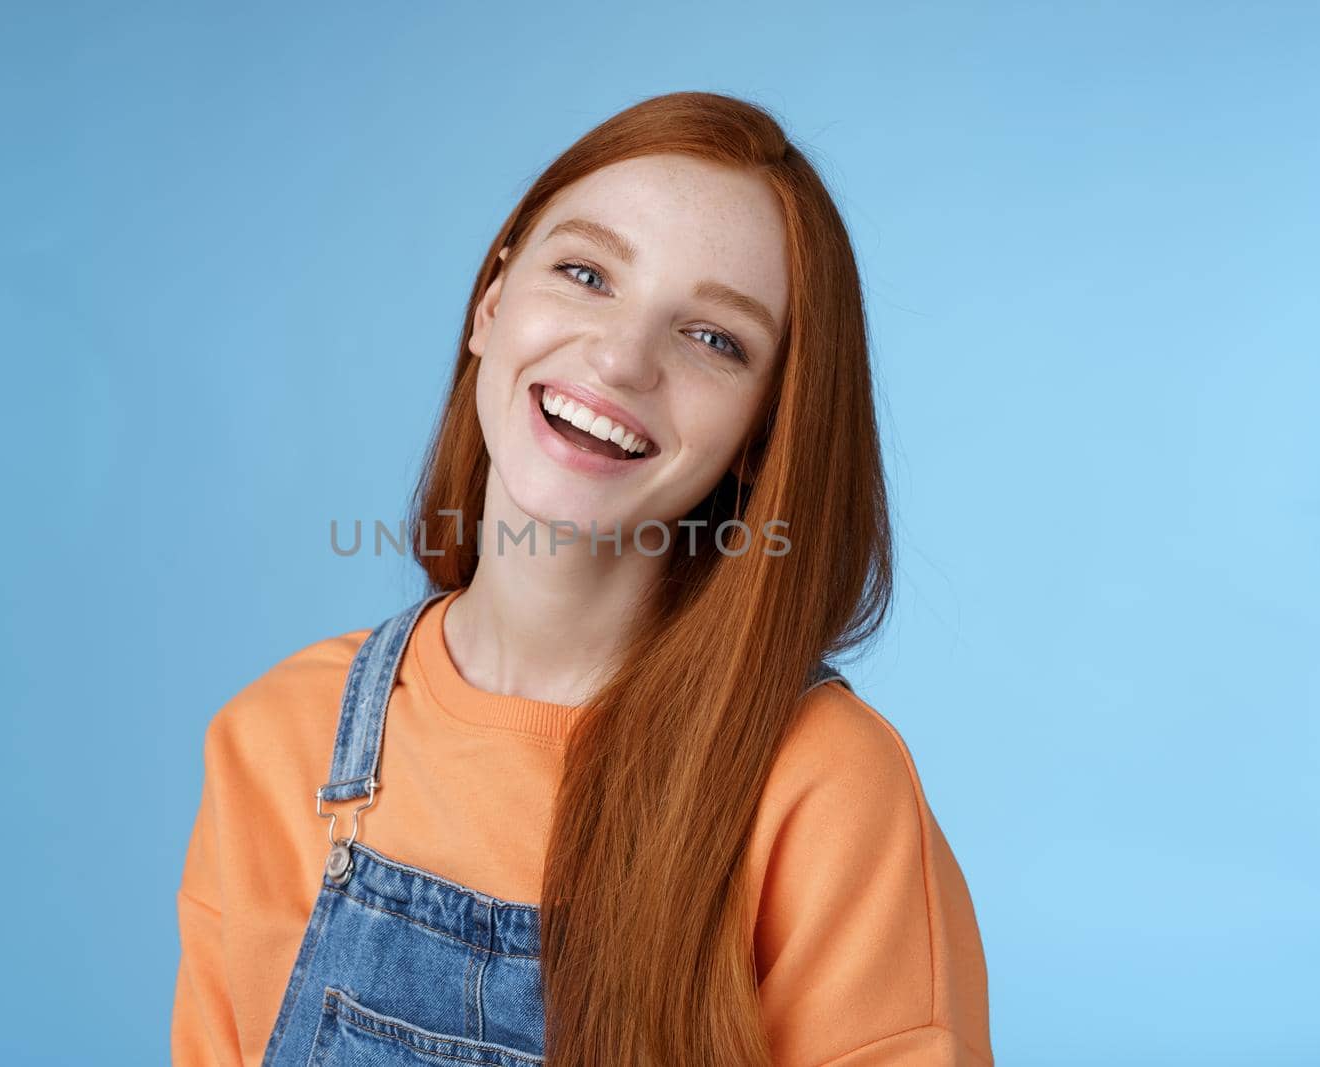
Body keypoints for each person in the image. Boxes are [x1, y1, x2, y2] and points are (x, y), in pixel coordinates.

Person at [173, 90, 993, 1066]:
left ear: (758, 436)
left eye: (714, 338)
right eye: (585, 273)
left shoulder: (820, 789)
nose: (620, 356)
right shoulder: (276, 742)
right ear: (491, 302)